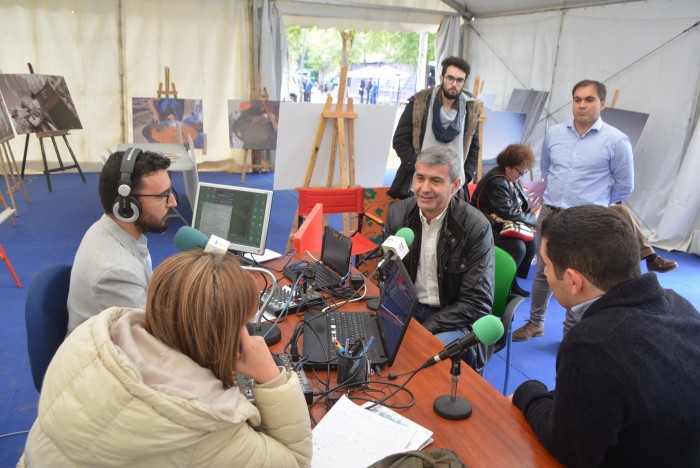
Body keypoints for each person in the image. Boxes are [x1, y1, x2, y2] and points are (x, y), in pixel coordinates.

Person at [20, 250, 313, 466]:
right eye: (243, 324)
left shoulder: (93, 337)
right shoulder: (203, 428)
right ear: (226, 335)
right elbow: (296, 461)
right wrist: (271, 379)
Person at [511, 205, 700, 467]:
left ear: (573, 281)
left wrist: (528, 393)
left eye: (547, 265)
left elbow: (570, 450)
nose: (543, 272)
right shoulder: (679, 305)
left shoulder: (593, 344)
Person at [512, 79, 677, 341]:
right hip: (551, 213)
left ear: (602, 103)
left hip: (584, 221)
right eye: (577, 99)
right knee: (545, 272)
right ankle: (535, 323)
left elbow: (624, 186)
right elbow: (547, 169)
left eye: (589, 99)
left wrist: (595, 204)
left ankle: (572, 336)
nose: (582, 105)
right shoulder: (554, 134)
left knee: (579, 279)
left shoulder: (616, 140)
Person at [385, 146, 495, 373]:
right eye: (420, 178)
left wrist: (422, 329)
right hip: (409, 307)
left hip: (455, 317)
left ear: (455, 185)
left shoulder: (475, 227)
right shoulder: (398, 215)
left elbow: (476, 303)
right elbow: (389, 272)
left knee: (419, 364)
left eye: (435, 181)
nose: (424, 189)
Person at [66, 149, 176, 335]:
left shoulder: (107, 229)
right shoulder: (115, 273)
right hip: (113, 358)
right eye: (162, 195)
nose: (172, 202)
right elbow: (151, 339)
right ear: (127, 206)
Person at [389, 56, 480, 201]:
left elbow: (474, 149)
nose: (454, 84)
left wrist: (466, 175)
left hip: (452, 189)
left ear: (464, 82)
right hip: (420, 186)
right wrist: (417, 168)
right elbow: (400, 140)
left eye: (459, 80)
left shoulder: (471, 110)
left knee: (449, 224)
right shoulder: (419, 104)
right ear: (442, 78)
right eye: (450, 78)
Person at [471, 144, 540, 297]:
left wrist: (528, 214)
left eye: (524, 172)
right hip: (484, 226)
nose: (521, 175)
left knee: (531, 244)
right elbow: (508, 212)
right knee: (518, 248)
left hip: (500, 224)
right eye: (519, 171)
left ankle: (511, 280)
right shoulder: (498, 181)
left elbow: (517, 206)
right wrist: (533, 219)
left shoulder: (512, 178)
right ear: (508, 165)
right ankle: (501, 287)